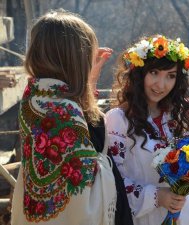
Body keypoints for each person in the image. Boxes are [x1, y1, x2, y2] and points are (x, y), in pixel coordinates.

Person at [105, 35, 189, 225]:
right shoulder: (119, 120)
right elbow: (112, 183)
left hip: (186, 215)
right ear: (139, 73)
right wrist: (157, 196)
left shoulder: (181, 115)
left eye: (171, 76)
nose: (161, 84)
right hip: (145, 218)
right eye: (154, 72)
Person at [11, 9, 117, 225]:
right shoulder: (66, 113)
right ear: (76, 59)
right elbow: (87, 190)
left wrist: (90, 79)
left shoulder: (34, 97)